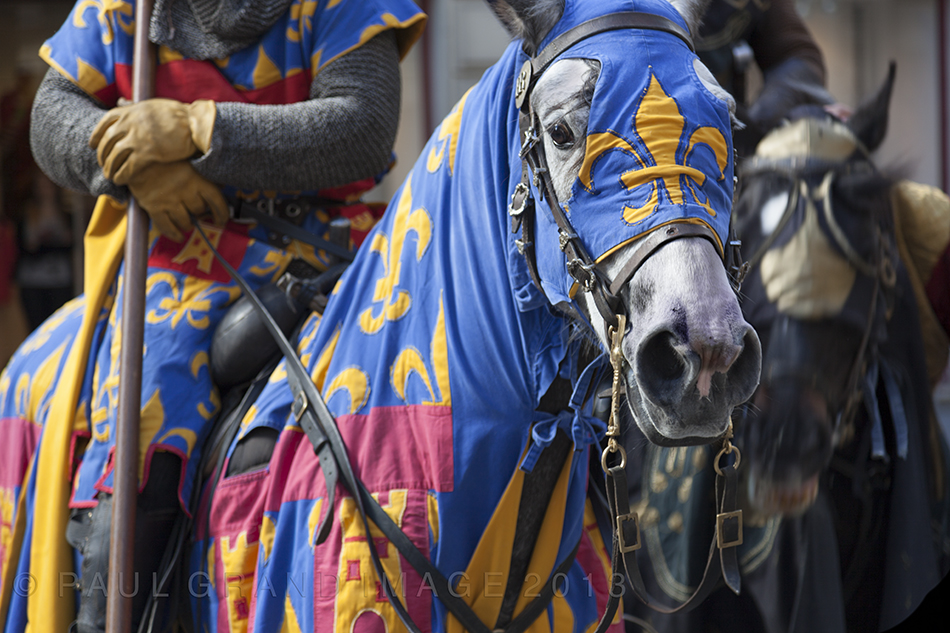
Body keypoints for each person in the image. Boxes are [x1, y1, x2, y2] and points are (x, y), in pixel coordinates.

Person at [0, 1, 425, 632]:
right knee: (148, 417)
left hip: (329, 255)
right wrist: (137, 172)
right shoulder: (124, 8)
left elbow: (360, 129)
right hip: (182, 264)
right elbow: (52, 117)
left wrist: (200, 130)